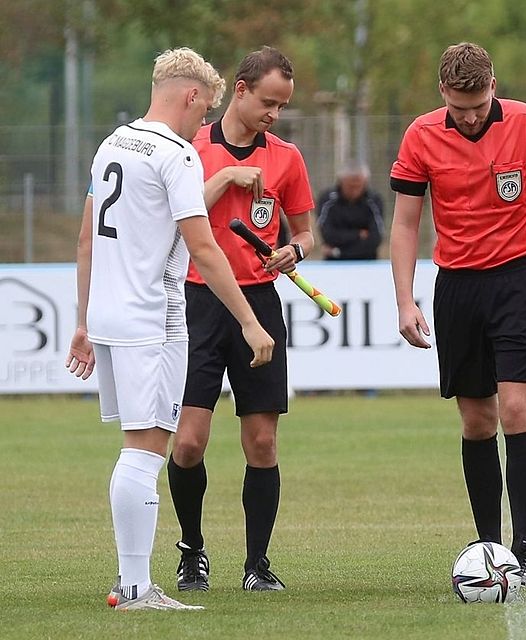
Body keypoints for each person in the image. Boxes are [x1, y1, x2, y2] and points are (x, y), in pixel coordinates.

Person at [65, 47, 274, 611]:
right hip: (151, 316)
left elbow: (86, 239)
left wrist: (82, 321)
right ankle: (134, 586)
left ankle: (131, 582)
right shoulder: (177, 153)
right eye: (205, 109)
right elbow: (203, 246)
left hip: (110, 315)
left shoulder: (114, 143)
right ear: (189, 95)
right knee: (146, 448)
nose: (205, 121)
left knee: (138, 444)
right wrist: (250, 323)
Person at [389, 42, 526, 586]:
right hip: (457, 288)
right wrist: (406, 299)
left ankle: (523, 547)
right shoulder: (421, 135)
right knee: (477, 421)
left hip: (518, 282)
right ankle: (489, 545)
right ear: (442, 94)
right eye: (459, 107)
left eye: (478, 105)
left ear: (493, 85)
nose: (471, 117)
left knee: (517, 410)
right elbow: (406, 224)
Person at [166, 46, 315, 593]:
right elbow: (175, 220)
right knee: (187, 443)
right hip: (198, 303)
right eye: (268, 102)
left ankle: (257, 565)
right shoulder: (189, 148)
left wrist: (292, 254)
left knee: (262, 443)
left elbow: (304, 232)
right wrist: (227, 176)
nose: (274, 114)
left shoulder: (287, 158)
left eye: (283, 106)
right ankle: (192, 551)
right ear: (242, 89)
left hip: (260, 304)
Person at [317, 160, 385, 260]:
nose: (354, 191)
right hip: (333, 264)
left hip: (367, 262)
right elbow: (327, 235)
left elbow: (375, 239)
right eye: (350, 186)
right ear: (341, 182)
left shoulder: (374, 201)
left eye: (358, 186)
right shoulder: (327, 200)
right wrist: (358, 234)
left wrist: (337, 251)